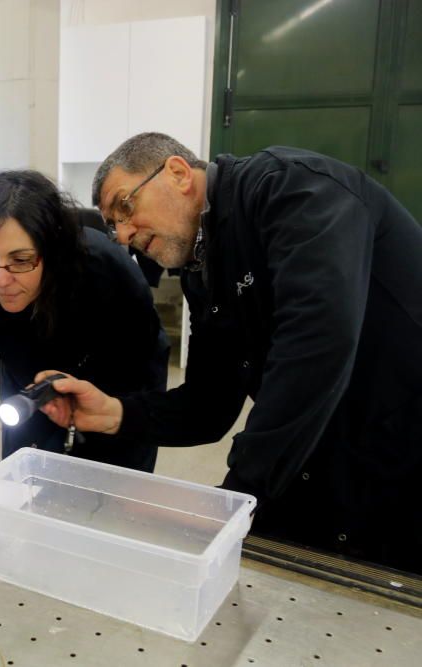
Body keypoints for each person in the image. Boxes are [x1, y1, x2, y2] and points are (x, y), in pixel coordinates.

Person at [36, 132, 422, 571]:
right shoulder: (203, 271)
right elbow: (208, 404)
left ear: (179, 173)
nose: (122, 235)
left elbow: (315, 349)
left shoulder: (293, 191)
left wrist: (238, 494)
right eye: (111, 224)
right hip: (315, 456)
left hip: (404, 453)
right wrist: (112, 413)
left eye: (125, 207)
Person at [0, 170, 169, 472]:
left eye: (21, 260)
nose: (0, 280)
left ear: (52, 251)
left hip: (111, 394)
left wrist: (114, 416)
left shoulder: (106, 270)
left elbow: (142, 376)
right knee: (24, 479)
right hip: (26, 389)